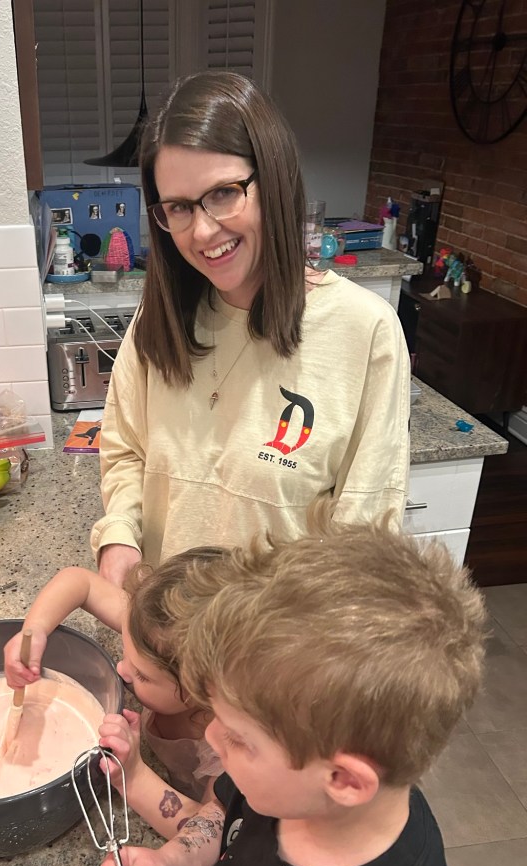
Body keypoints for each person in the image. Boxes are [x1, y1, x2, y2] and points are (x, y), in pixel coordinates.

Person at [92, 515, 487, 866]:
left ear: (344, 780)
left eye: (238, 738)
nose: (212, 738)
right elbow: (222, 818)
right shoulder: (295, 791)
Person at [91, 71, 411, 587]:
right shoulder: (159, 321)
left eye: (223, 193)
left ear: (274, 180)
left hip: (279, 637)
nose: (202, 230)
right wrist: (120, 536)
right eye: (178, 207)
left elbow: (365, 532)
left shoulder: (364, 332)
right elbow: (126, 451)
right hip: (159, 624)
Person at [3, 547, 226, 834]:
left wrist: (134, 775)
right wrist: (35, 630)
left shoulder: (229, 749)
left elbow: (209, 834)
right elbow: (79, 582)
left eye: (142, 675)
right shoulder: (154, 630)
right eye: (125, 651)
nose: (122, 668)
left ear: (201, 692)